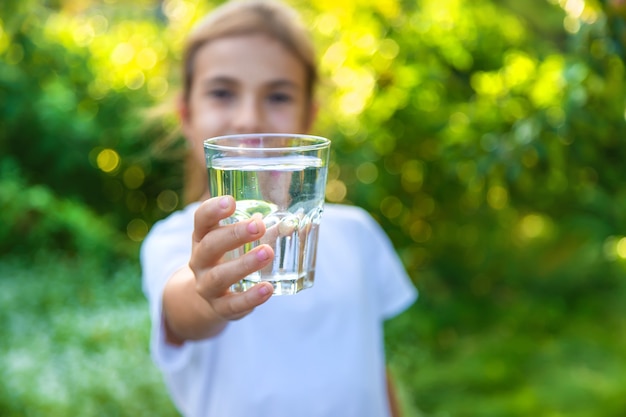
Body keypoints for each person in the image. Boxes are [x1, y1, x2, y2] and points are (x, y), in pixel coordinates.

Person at [140, 1, 418, 416]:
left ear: (309, 115)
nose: (249, 118)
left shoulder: (358, 233)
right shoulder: (172, 242)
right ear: (186, 115)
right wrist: (208, 290)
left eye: (278, 95)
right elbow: (184, 311)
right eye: (222, 92)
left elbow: (369, 363)